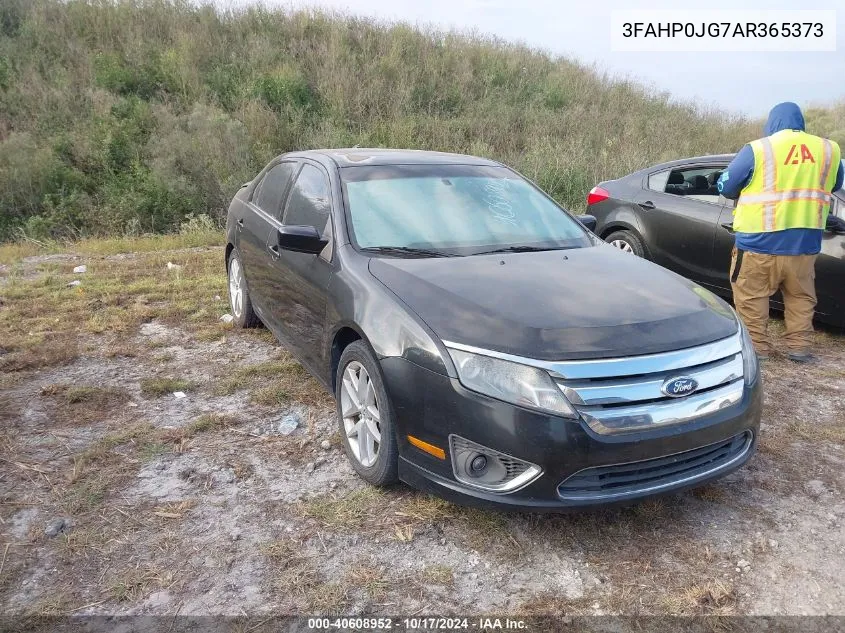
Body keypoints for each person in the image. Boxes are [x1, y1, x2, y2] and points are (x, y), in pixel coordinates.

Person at [718, 102, 844, 363]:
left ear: (772, 122)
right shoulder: (829, 150)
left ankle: (757, 350)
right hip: (804, 245)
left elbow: (727, 186)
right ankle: (799, 348)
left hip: (758, 243)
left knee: (752, 298)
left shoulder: (759, 149)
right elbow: (835, 184)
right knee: (800, 298)